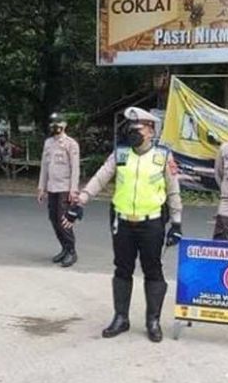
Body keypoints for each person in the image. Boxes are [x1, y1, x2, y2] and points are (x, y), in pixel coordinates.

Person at [63, 106, 183, 343]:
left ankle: (153, 320)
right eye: (129, 127)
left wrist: (176, 223)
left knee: (153, 270)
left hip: (152, 223)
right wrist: (81, 201)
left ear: (150, 130)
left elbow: (173, 191)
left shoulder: (163, 156)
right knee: (122, 269)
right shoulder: (120, 154)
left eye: (136, 128)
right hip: (123, 222)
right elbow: (100, 177)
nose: (132, 132)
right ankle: (121, 318)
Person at [37, 113, 80, 267]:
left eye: (58, 123)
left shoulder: (71, 144)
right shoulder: (48, 143)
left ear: (64, 125)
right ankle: (64, 248)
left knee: (64, 221)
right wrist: (41, 187)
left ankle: (72, 251)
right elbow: (44, 166)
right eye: (53, 124)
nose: (55, 127)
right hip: (52, 187)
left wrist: (73, 190)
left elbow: (75, 169)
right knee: (54, 220)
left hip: (65, 188)